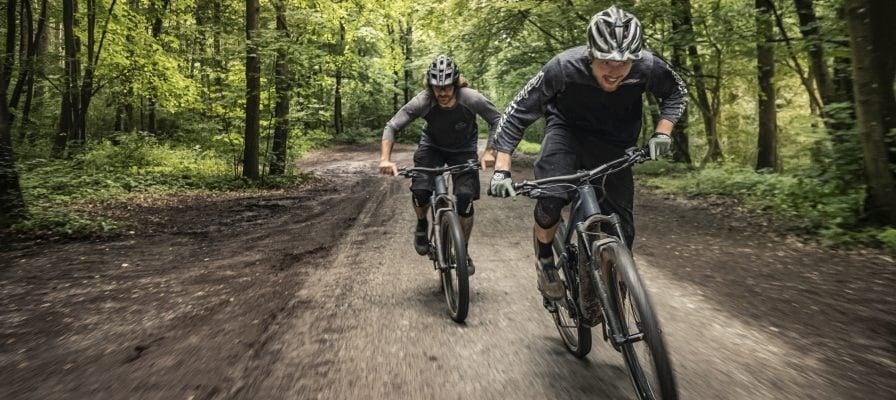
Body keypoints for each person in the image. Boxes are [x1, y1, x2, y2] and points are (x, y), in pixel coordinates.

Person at [487, 6, 686, 325]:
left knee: (623, 230)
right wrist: (501, 168)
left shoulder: (647, 66)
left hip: (615, 144)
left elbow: (675, 94)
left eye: (624, 62)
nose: (615, 70)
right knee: (551, 200)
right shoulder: (562, 68)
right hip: (566, 133)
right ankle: (545, 262)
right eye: (606, 60)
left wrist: (663, 132)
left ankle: (612, 290)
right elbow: (515, 115)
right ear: (590, 54)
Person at [379, 55, 502, 275]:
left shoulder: (471, 98)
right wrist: (385, 159)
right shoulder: (423, 100)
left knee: (465, 198)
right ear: (431, 86)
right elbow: (392, 126)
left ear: (455, 84)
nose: (442, 93)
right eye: (437, 88)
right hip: (432, 147)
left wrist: (489, 152)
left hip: (463, 150)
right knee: (421, 190)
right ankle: (421, 224)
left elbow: (497, 120)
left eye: (446, 87)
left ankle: (463, 251)